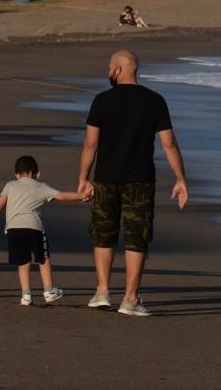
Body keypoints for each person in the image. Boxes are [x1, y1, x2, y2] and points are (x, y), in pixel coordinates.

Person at [78, 50, 188, 316]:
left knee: (103, 234)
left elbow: (91, 143)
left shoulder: (102, 100)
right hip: (139, 180)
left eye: (109, 68)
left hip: (105, 178)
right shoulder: (155, 101)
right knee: (135, 239)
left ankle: (102, 291)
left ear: (118, 69)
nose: (108, 72)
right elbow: (168, 143)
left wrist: (83, 177)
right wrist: (180, 179)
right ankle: (130, 299)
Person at [0, 155, 89, 306]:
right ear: (37, 173)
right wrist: (81, 196)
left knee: (23, 262)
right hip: (34, 228)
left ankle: (26, 295)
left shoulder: (10, 185)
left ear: (16, 174)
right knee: (43, 258)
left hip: (13, 229)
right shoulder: (41, 186)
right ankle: (49, 290)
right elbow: (62, 196)